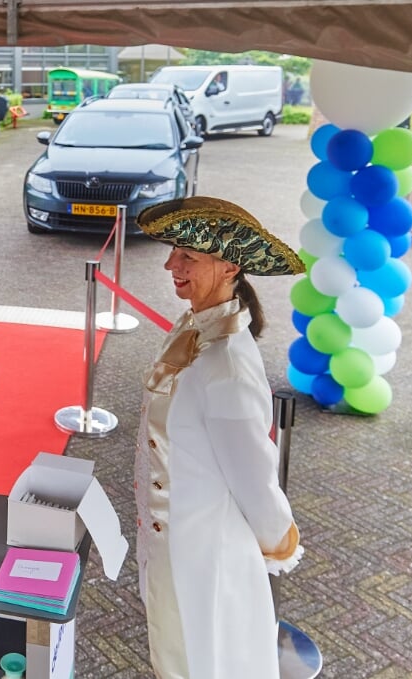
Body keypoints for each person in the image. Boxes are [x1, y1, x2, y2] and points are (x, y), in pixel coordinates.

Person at [133, 197, 305, 679]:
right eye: (173, 252)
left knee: (199, 664)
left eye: (187, 255)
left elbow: (255, 475)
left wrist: (279, 542)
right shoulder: (195, 328)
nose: (171, 264)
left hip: (204, 560)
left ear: (230, 265)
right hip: (172, 545)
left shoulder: (226, 363)